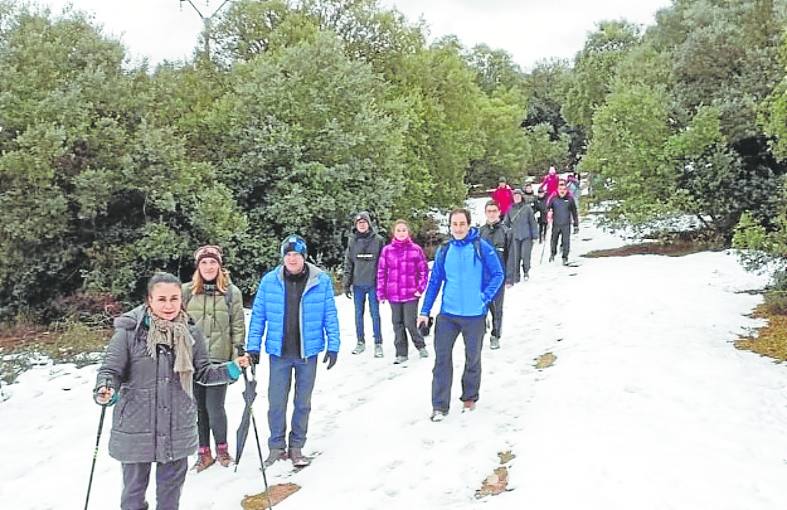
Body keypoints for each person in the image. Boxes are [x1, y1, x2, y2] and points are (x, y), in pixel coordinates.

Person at [94, 272, 248, 510]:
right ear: (149, 300)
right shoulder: (129, 332)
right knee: (133, 498)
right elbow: (110, 370)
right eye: (162, 299)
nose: (169, 305)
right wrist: (106, 387)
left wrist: (231, 369)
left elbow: (203, 373)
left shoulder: (191, 333)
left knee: (169, 499)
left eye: (174, 299)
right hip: (137, 426)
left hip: (177, 426)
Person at [246, 234, 340, 468]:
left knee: (302, 402)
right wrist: (253, 347)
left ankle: (297, 446)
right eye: (288, 255)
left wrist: (334, 344)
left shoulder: (321, 280)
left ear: (303, 256)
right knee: (276, 402)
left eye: (296, 254)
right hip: (279, 353)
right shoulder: (270, 281)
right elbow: (258, 315)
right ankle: (276, 447)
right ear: (283, 258)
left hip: (307, 353)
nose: (292, 259)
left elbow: (330, 313)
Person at [417, 209, 504, 422]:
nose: (458, 228)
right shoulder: (444, 250)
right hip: (448, 314)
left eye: (462, 224)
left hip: (475, 315)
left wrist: (484, 298)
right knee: (441, 360)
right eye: (454, 224)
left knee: (472, 358)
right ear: (450, 226)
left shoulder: (481, 247)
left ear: (468, 225)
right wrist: (425, 311)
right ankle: (439, 406)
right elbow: (435, 281)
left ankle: (469, 397)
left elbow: (498, 274)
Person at [182, 245, 246, 472]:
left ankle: (222, 450)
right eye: (204, 263)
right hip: (192, 360)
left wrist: (238, 354)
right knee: (198, 408)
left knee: (215, 407)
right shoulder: (187, 291)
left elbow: (238, 324)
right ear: (198, 266)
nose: (208, 267)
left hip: (219, 359)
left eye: (213, 263)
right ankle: (203, 453)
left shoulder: (231, 292)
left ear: (220, 266)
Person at [376, 220, 429, 364]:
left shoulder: (415, 249)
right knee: (397, 323)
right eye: (398, 230)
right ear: (394, 232)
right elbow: (381, 272)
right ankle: (401, 353)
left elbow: (423, 271)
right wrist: (381, 292)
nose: (401, 233)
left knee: (410, 323)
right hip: (393, 294)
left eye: (404, 230)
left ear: (408, 232)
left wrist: (420, 288)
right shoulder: (387, 250)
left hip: (411, 294)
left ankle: (420, 345)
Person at [342, 212, 385, 357]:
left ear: (369, 224)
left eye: (364, 222)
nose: (362, 225)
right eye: (359, 223)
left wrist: (383, 284)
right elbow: (349, 262)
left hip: (373, 284)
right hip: (358, 284)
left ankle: (378, 343)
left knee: (375, 314)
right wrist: (346, 283)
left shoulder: (378, 240)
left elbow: (383, 263)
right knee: (358, 315)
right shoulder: (352, 241)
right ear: (356, 225)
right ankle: (360, 341)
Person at [479, 201, 515, 350]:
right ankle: (481, 330)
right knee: (480, 306)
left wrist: (510, 277)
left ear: (499, 212)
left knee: (497, 308)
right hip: (481, 278)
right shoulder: (480, 232)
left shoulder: (506, 231)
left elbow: (511, 255)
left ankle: (495, 335)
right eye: (489, 211)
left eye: (494, 211)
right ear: (485, 213)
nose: (492, 213)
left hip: (498, 277)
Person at [504, 189, 539, 282]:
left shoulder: (527, 208)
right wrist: (507, 232)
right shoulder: (510, 208)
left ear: (521, 197)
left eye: (518, 196)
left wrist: (535, 235)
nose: (516, 198)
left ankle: (526, 271)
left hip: (526, 235)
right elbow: (505, 223)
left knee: (525, 255)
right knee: (516, 257)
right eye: (515, 196)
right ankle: (516, 275)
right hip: (515, 237)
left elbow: (533, 222)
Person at [547, 180, 580, 265]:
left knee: (566, 242)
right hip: (556, 223)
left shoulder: (570, 199)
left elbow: (574, 212)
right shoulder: (553, 198)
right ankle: (553, 253)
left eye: (564, 189)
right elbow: (548, 208)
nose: (562, 191)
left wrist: (576, 224)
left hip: (566, 224)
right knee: (554, 240)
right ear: (557, 189)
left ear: (566, 190)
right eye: (560, 189)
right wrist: (549, 213)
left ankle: (565, 257)